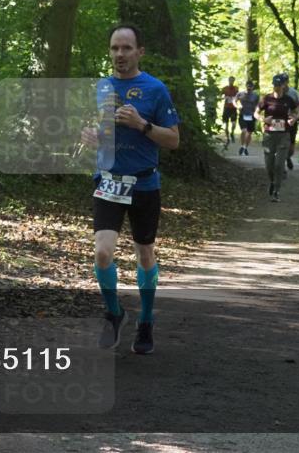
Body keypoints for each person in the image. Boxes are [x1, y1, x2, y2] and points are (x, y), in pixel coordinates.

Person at [80, 24, 180, 355]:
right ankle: (114, 313)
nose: (119, 55)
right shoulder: (102, 87)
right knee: (102, 253)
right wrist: (91, 137)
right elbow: (99, 130)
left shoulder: (155, 89)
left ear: (139, 52)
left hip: (144, 183)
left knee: (145, 254)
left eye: (126, 48)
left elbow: (174, 140)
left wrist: (142, 125)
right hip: (108, 181)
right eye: (114, 49)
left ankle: (147, 320)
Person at [258, 73, 299, 202]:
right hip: (269, 135)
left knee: (279, 164)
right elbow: (255, 113)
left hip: (283, 135)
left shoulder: (288, 100)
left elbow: (297, 111)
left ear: (283, 85)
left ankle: (276, 191)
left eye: (279, 85)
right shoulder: (266, 99)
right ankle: (271, 182)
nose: (276, 88)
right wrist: (264, 119)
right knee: (269, 165)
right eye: (275, 85)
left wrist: (294, 118)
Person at [235, 79, 260, 156]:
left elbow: (258, 105)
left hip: (252, 116)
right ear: (246, 86)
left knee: (249, 133)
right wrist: (237, 106)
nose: (249, 88)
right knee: (244, 131)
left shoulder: (256, 95)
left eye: (251, 86)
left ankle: (244, 148)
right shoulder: (240, 94)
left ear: (253, 87)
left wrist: (257, 112)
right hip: (243, 115)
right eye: (248, 86)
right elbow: (234, 101)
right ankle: (242, 146)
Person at [282, 73, 299, 171]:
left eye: (285, 81)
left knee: (291, 147)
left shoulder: (293, 92)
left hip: (292, 120)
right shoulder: (277, 92)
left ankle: (288, 157)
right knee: (281, 142)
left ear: (288, 81)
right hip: (280, 121)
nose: (283, 83)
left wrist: (294, 116)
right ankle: (282, 166)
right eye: (282, 81)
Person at [221, 76, 239, 147]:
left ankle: (232, 133)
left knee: (234, 124)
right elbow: (220, 96)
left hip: (233, 108)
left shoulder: (236, 88)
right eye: (230, 80)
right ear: (228, 80)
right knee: (226, 125)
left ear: (234, 81)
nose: (231, 82)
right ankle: (228, 138)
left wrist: (235, 99)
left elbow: (238, 96)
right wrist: (224, 97)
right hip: (226, 108)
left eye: (232, 80)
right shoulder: (224, 88)